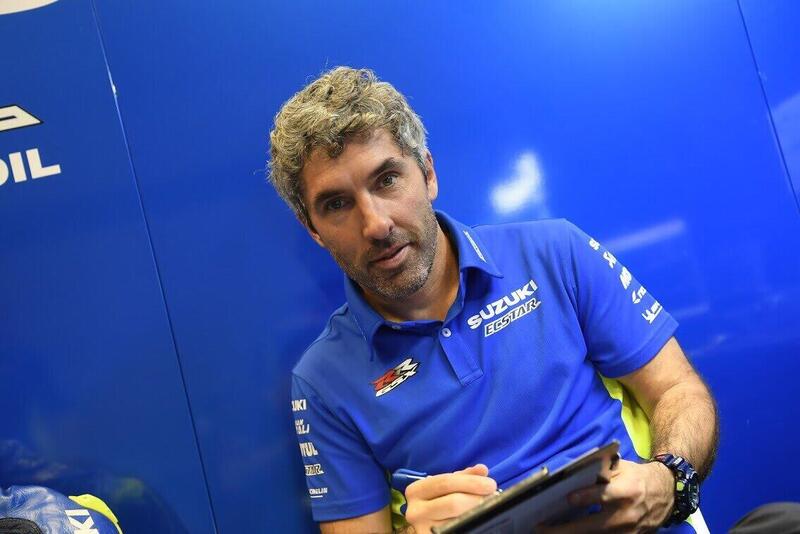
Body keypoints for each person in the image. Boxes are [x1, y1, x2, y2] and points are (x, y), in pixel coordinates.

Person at [268, 67, 718, 533]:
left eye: (386, 180)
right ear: (313, 230)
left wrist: (667, 481)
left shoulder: (553, 252)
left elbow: (679, 390)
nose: (376, 224)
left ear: (428, 173)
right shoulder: (322, 381)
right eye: (337, 204)